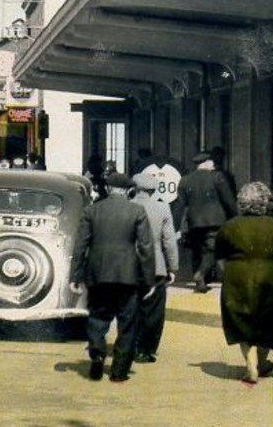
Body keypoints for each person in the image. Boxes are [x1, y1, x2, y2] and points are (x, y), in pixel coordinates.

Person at [69, 172, 153, 382]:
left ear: (108, 188)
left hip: (98, 273)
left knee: (97, 317)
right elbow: (145, 248)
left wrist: (75, 276)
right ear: (128, 191)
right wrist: (148, 279)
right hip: (128, 275)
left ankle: (97, 355)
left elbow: (80, 245)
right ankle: (119, 372)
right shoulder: (137, 211)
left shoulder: (92, 211)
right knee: (127, 323)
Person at [215, 181, 273, 385]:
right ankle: (261, 362)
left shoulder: (228, 226)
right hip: (271, 276)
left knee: (241, 321)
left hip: (237, 276)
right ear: (264, 202)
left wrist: (229, 275)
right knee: (268, 321)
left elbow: (220, 259)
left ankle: (251, 364)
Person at [131, 164, 179, 363]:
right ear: (152, 190)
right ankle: (146, 349)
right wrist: (172, 267)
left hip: (129, 265)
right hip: (156, 266)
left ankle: (130, 345)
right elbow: (169, 241)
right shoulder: (162, 207)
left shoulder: (127, 206)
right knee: (153, 310)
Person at [179, 150, 237, 293]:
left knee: (199, 251)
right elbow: (228, 201)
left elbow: (180, 204)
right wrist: (235, 217)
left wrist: (179, 226)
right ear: (208, 162)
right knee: (214, 250)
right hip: (215, 221)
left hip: (194, 222)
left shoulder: (185, 180)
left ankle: (202, 282)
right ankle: (201, 274)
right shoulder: (218, 177)